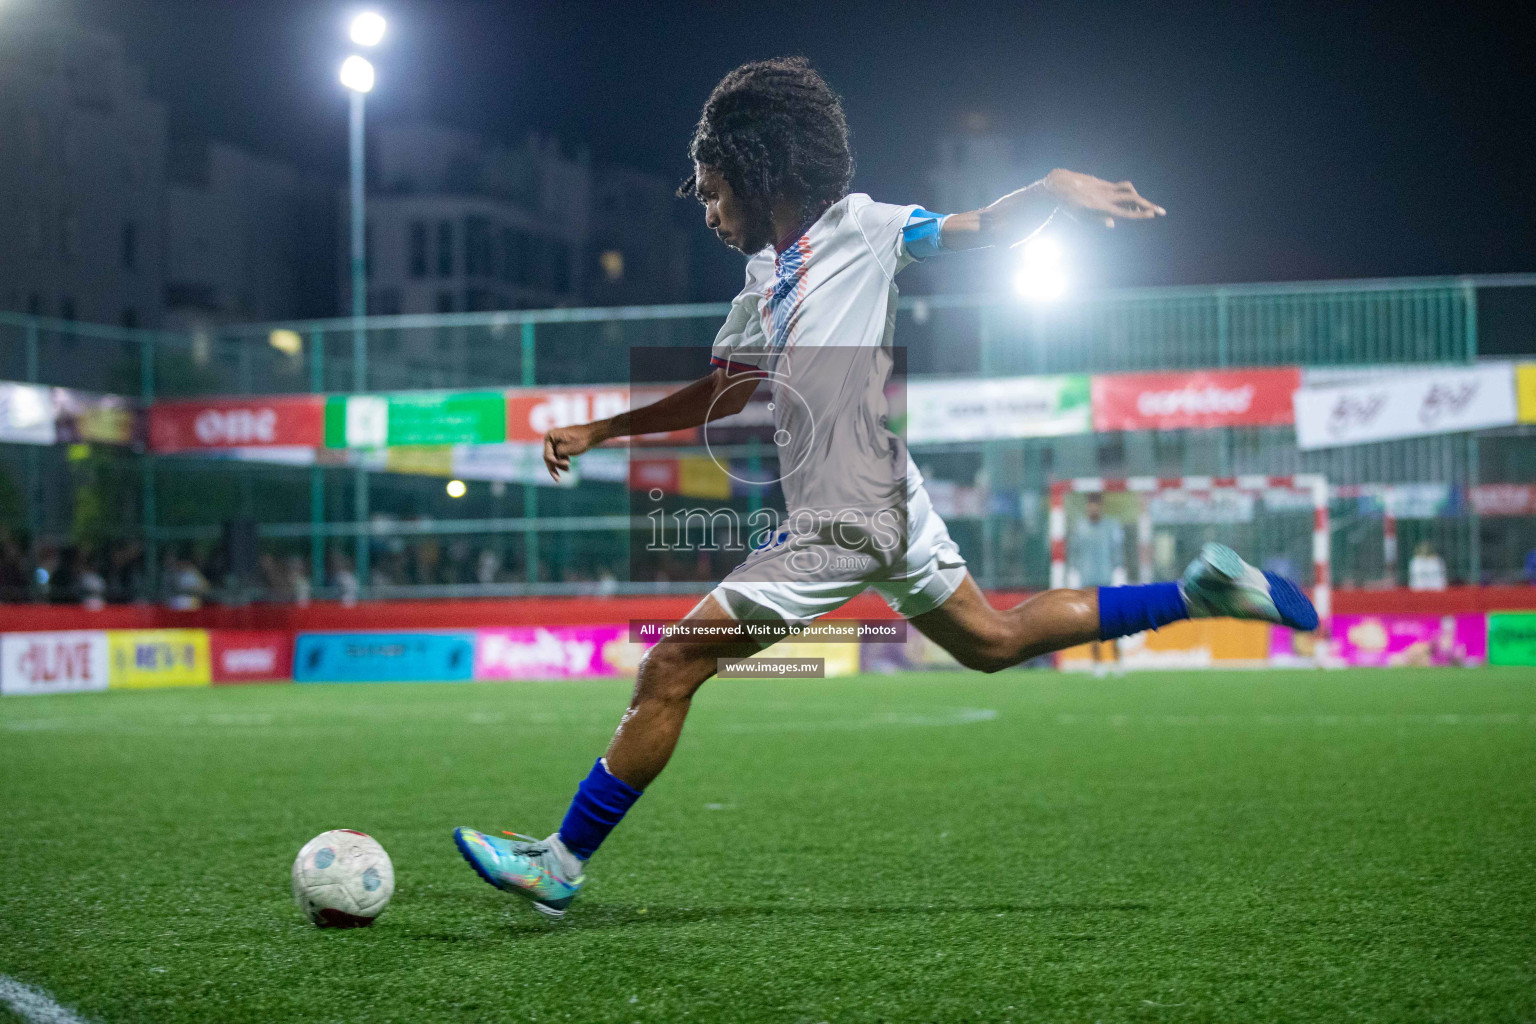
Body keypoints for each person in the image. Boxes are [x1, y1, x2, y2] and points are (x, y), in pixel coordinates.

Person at [453, 58, 1318, 919]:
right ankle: (1199, 590)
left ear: (761, 175)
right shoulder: (762, 280)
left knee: (670, 663)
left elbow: (971, 228)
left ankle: (561, 861)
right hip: (885, 493)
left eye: (716, 193)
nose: (710, 213)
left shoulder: (864, 226)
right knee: (993, 639)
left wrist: (1050, 188)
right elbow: (724, 389)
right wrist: (603, 430)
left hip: (848, 511)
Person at [1069, 494, 1127, 676]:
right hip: (1087, 582)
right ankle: (1097, 663)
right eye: (1090, 506)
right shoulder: (1080, 528)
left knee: (1114, 622)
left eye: (1096, 506)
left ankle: (1118, 661)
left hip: (1108, 580)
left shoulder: (1112, 526)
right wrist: (1074, 575)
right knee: (1092, 625)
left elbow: (1118, 551)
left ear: (1100, 507)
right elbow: (1074, 554)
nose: (1092, 509)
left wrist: (1119, 573)